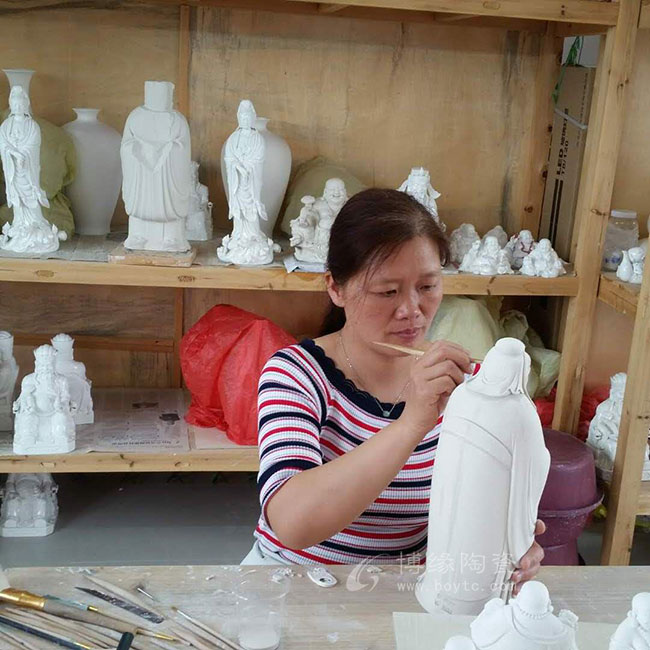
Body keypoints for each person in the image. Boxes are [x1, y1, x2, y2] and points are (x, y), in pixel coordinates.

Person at [243, 189, 544, 593]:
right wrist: (412, 423)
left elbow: (489, 506)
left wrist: (510, 543)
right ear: (336, 288)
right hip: (292, 580)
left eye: (428, 286)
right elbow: (292, 523)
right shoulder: (296, 374)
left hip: (406, 586)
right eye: (388, 292)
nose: (412, 310)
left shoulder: (464, 385)